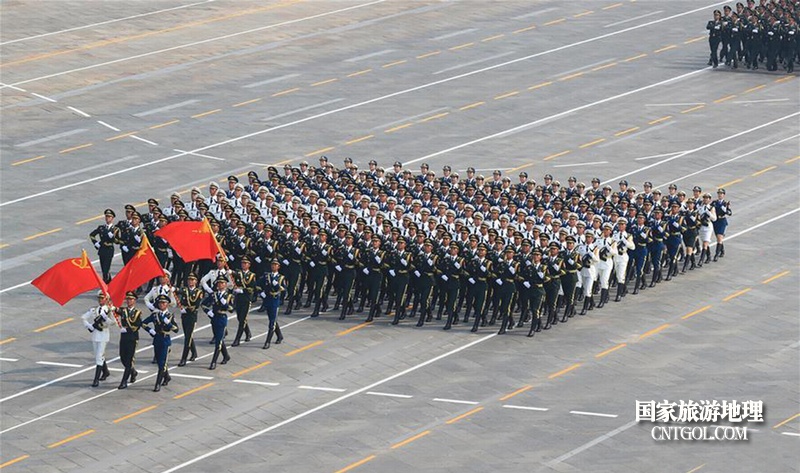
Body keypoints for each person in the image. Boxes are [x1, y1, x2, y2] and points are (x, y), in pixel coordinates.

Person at [142, 294, 179, 392]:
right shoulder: (155, 315)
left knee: (163, 363)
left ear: (167, 304)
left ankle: (157, 383)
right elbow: (143, 323)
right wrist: (150, 331)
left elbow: (176, 329)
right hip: (157, 338)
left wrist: (169, 323)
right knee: (159, 362)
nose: (161, 305)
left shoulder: (170, 316)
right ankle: (167, 377)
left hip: (165, 340)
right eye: (160, 303)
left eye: (164, 303)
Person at [202, 276, 233, 370]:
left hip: (222, 318)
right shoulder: (213, 295)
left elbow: (232, 309)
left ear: (226, 285)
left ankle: (213, 362)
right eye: (219, 283)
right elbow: (203, 304)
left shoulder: (229, 296)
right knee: (218, 338)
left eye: (223, 283)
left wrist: (226, 305)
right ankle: (226, 355)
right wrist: (208, 312)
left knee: (218, 342)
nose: (220, 285)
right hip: (214, 317)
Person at [116, 291, 142, 389]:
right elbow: (114, 309)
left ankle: (124, 381)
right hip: (124, 337)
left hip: (132, 337)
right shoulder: (123, 311)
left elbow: (137, 325)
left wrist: (127, 329)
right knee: (123, 357)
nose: (129, 301)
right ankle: (133, 371)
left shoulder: (137, 313)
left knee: (129, 359)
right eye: (127, 299)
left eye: (131, 299)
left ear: (134, 301)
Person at [177, 273, 203, 366]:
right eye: (189, 280)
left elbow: (196, 304)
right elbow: (178, 291)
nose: (190, 282)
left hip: (192, 316)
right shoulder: (185, 290)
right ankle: (194, 352)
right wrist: (172, 289)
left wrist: (186, 308)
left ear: (196, 281)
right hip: (184, 316)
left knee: (187, 338)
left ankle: (183, 358)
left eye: (192, 280)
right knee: (187, 335)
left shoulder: (198, 292)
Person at [260, 260, 287, 349]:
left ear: (278, 267)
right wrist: (261, 292)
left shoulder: (281, 277)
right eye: (272, 265)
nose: (273, 266)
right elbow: (258, 284)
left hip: (275, 300)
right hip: (267, 299)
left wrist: (278, 286)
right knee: (272, 319)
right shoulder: (266, 275)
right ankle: (279, 335)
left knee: (272, 322)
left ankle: (267, 341)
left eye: (275, 265)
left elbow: (284, 290)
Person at [231, 257, 257, 346]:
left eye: (245, 263)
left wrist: (242, 290)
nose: (243, 264)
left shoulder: (252, 275)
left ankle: (237, 339)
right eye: (242, 263)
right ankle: (248, 332)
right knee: (240, 318)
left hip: (246, 299)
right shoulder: (238, 273)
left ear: (249, 265)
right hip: (238, 299)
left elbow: (252, 288)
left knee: (242, 320)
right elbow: (234, 280)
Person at [89, 209, 119, 283]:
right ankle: (109, 282)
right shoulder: (101, 228)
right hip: (102, 250)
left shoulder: (115, 229)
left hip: (109, 250)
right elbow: (92, 235)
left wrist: (113, 237)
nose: (107, 218)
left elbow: (118, 241)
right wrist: (95, 243)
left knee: (106, 269)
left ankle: (105, 285)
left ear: (112, 218)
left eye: (109, 217)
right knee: (103, 269)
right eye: (106, 216)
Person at [697, 192, 717, 266]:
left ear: (709, 199)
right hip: (701, 226)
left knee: (705, 243)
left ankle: (701, 260)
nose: (705, 199)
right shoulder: (700, 207)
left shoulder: (711, 208)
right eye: (704, 198)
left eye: (707, 198)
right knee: (704, 242)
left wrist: (709, 213)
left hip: (708, 226)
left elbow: (714, 218)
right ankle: (708, 256)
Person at [712, 188, 732, 261]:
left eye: (721, 194)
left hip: (722, 221)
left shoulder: (725, 203)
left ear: (724, 195)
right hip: (716, 221)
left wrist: (726, 210)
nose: (720, 195)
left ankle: (716, 254)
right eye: (719, 193)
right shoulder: (714, 202)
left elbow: (730, 213)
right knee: (718, 237)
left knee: (720, 237)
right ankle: (722, 250)